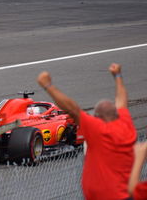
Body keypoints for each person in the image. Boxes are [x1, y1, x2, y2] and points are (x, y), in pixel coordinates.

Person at [37, 63, 137, 200]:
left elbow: (73, 110)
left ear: (98, 118)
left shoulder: (98, 129)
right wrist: (118, 76)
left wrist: (48, 86)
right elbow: (122, 101)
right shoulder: (126, 124)